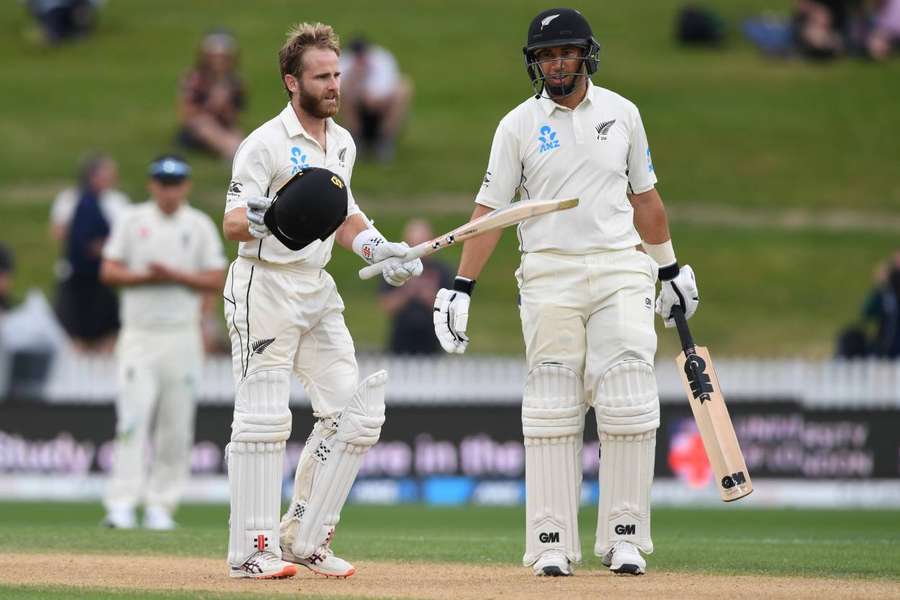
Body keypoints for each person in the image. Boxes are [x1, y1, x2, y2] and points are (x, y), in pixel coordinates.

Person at [432, 8, 700, 577]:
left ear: (585, 55)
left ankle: (624, 536)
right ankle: (549, 540)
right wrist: (461, 286)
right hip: (548, 270)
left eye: (564, 53)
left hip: (619, 266)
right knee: (553, 400)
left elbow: (645, 198)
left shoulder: (623, 113)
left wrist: (670, 268)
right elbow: (491, 213)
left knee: (628, 391)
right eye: (545, 56)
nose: (555, 64)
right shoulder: (517, 126)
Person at [220, 22, 422, 580]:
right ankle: (250, 551)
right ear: (292, 81)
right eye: (322, 76)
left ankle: (302, 537)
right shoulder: (262, 144)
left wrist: (380, 247)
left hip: (317, 289)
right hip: (265, 284)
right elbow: (233, 222)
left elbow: (343, 214)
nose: (335, 85)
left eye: (337, 74)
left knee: (355, 414)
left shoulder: (344, 141)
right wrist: (278, 213)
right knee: (262, 420)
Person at [99, 155, 226, 530]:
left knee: (176, 425)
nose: (168, 190)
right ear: (152, 185)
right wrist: (147, 279)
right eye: (162, 182)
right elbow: (109, 270)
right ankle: (122, 504)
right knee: (133, 419)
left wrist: (173, 275)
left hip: (181, 335)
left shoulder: (198, 225)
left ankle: (161, 506)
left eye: (175, 183)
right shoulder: (132, 220)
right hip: (139, 335)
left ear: (185, 186)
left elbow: (215, 278)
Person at [53, 154, 130, 352]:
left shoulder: (117, 202)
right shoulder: (69, 199)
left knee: (108, 332)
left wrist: (102, 245)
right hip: (74, 278)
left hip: (103, 277)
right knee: (72, 334)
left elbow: (126, 238)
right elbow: (60, 232)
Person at [380, 219, 452, 354]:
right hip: (400, 343)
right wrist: (408, 291)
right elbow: (386, 305)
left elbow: (449, 312)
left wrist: (429, 295)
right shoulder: (394, 268)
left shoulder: (442, 270)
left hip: (432, 344)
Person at [338, 36, 413, 162]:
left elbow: (386, 88)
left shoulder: (382, 59)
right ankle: (355, 139)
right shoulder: (344, 62)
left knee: (403, 87)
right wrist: (355, 78)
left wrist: (373, 97)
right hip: (356, 109)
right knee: (340, 93)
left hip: (382, 108)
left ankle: (385, 140)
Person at [178, 29, 246, 160]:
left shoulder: (235, 82)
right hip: (198, 128)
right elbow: (188, 114)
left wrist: (225, 109)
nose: (218, 62)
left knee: (236, 133)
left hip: (223, 124)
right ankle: (232, 153)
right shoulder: (195, 80)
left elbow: (235, 115)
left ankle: (239, 153)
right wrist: (212, 104)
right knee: (206, 125)